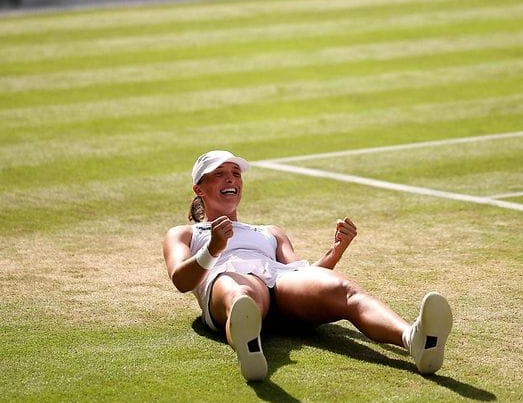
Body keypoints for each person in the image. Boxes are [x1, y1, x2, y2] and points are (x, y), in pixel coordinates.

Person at [163, 150, 454, 381]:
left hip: (278, 282)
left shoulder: (270, 231)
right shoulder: (185, 234)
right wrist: (214, 248)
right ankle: (249, 347)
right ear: (198, 188)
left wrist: (336, 251)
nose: (231, 179)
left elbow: (301, 275)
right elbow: (181, 280)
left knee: (343, 288)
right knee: (238, 291)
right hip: (230, 282)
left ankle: (414, 339)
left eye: (235, 174)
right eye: (219, 174)